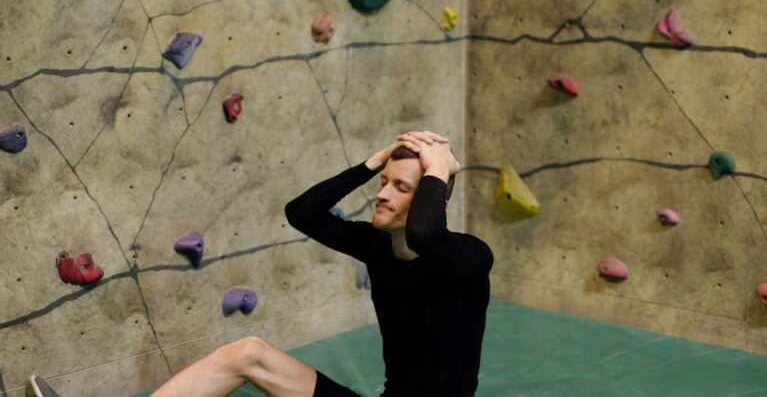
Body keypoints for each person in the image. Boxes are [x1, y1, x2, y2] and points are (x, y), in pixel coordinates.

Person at [28, 130, 493, 397]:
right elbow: (302, 213)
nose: (383, 194)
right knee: (246, 351)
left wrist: (439, 168)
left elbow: (427, 234)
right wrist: (372, 163)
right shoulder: (376, 245)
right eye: (385, 182)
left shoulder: (469, 259)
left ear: (434, 197)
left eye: (402, 188)